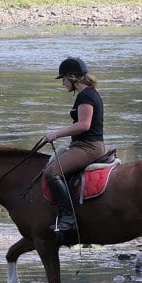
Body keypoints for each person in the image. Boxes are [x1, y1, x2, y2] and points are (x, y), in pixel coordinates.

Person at [43, 57, 105, 236]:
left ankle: (69, 218)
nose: (62, 83)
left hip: (88, 147)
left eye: (63, 79)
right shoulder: (87, 94)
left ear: (72, 77)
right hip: (83, 145)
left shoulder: (86, 95)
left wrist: (56, 133)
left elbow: (84, 125)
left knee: (53, 173)